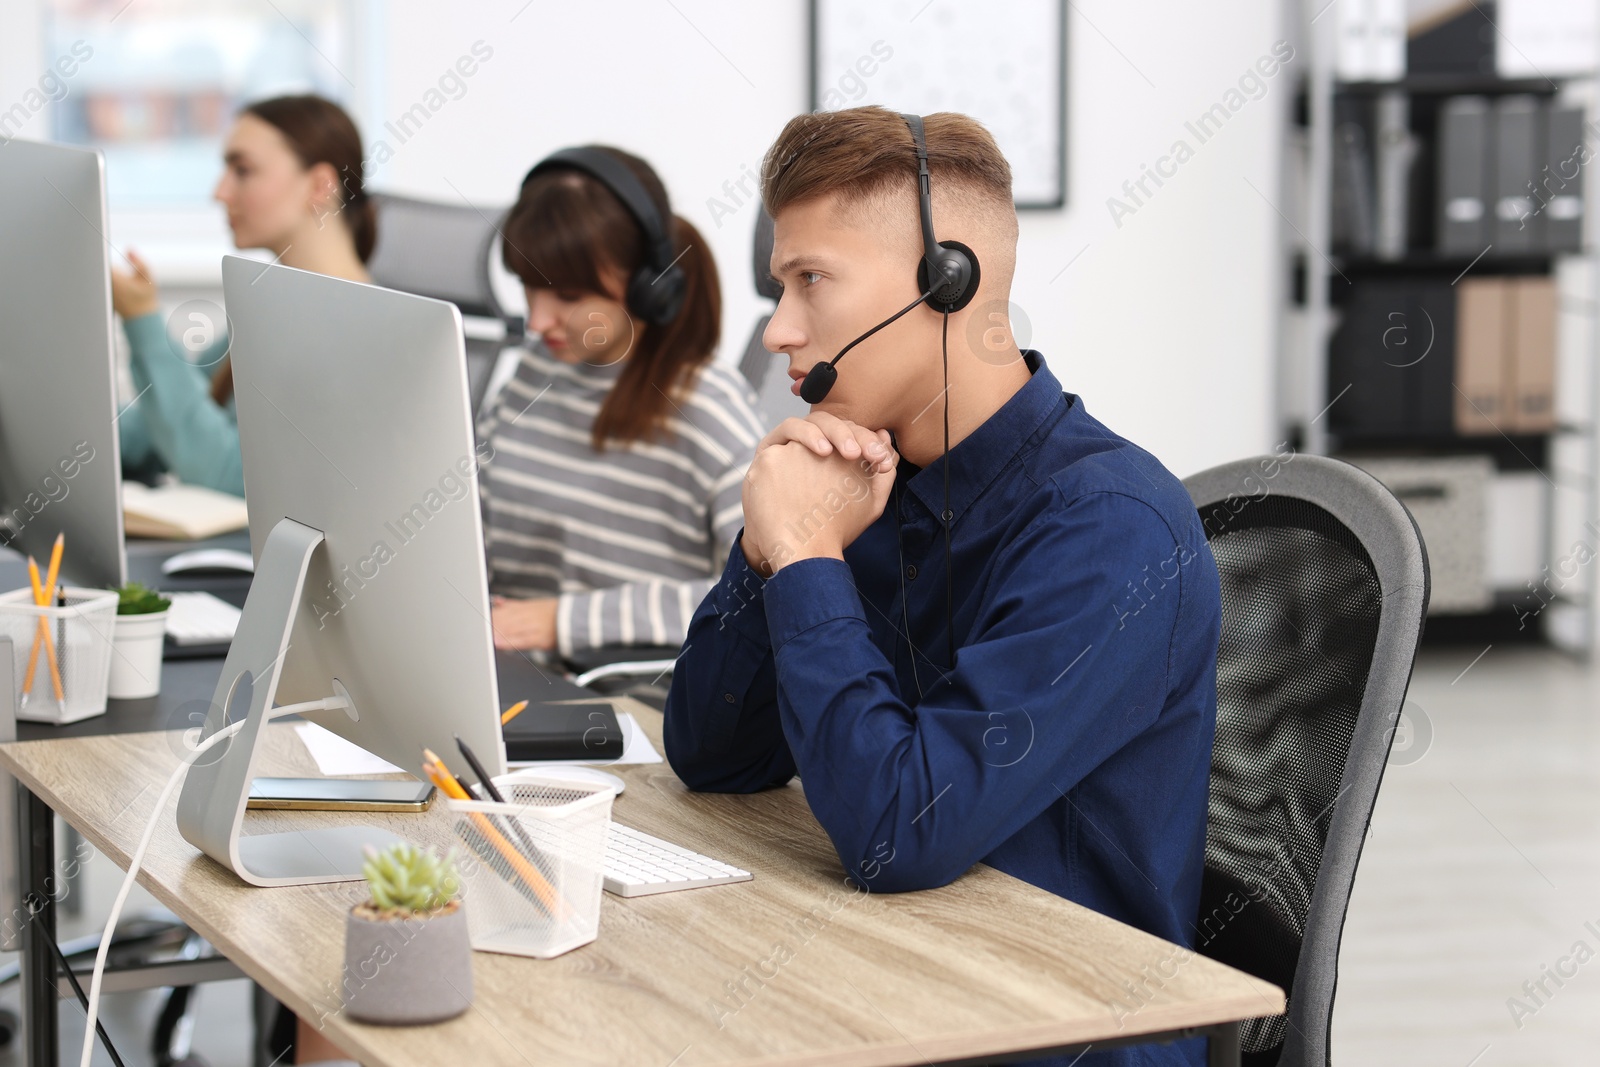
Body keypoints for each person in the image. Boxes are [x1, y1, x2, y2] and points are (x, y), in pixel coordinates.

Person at [662, 107, 1221, 1067]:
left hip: (1052, 1031)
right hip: (891, 983)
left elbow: (898, 832)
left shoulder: (1110, 534)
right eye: (778, 287)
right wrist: (771, 556)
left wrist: (805, 558)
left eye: (811, 282)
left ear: (944, 281)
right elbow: (714, 756)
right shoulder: (870, 486)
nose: (779, 331)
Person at [479, 145, 764, 661]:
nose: (538, 321)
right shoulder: (537, 371)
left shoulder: (708, 411)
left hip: (626, 689)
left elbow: (757, 594)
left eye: (566, 296)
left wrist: (563, 622)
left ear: (646, 289)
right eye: (527, 286)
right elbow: (474, 510)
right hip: (511, 661)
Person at [112, 94, 375, 496]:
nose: (220, 192)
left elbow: (231, 477)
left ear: (320, 185)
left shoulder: (357, 332)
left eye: (243, 170)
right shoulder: (266, 310)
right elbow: (145, 434)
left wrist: (142, 319)